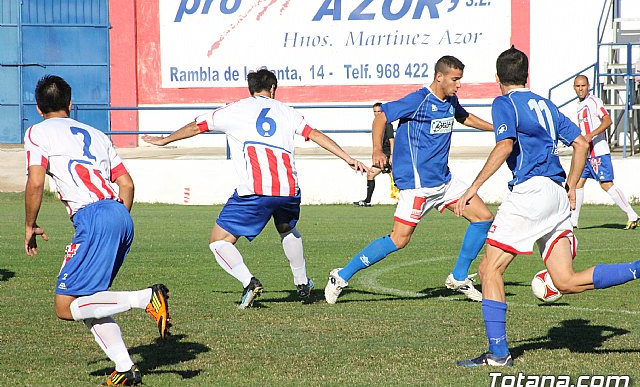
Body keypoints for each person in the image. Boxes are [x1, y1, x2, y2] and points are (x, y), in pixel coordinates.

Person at [454, 46, 640, 367]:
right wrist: (569, 185)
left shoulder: (504, 103)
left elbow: (504, 144)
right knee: (565, 281)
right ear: (527, 76)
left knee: (489, 269)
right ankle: (637, 268)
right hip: (555, 192)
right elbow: (581, 143)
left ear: (498, 78)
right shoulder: (545, 104)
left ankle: (498, 354)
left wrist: (474, 186)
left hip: (531, 190)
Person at [143, 69, 368, 309]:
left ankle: (248, 282)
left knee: (219, 241)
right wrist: (348, 158)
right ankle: (302, 284)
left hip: (256, 191)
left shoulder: (235, 109)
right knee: (286, 227)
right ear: (273, 89)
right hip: (288, 189)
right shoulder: (287, 111)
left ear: (250, 89)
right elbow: (313, 134)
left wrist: (165, 139)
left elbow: (197, 126)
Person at [24, 75, 170, 386]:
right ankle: (125, 368)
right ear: (71, 104)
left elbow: (36, 181)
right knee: (90, 299)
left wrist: (29, 224)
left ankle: (146, 298)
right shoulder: (96, 134)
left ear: (39, 108)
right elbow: (127, 184)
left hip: (94, 217)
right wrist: (115, 219)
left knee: (65, 307)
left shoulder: (37, 132)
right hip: (119, 213)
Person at [324, 55, 495, 304]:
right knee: (399, 239)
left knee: (483, 218)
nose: (459, 85)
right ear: (440, 77)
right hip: (417, 186)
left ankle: (458, 277)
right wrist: (377, 150)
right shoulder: (419, 100)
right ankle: (340, 276)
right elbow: (381, 117)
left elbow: (463, 117)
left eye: (460, 80)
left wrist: (496, 129)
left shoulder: (450, 100)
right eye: (455, 80)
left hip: (445, 182)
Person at [570, 75, 638, 230]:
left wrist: (591, 135)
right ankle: (573, 222)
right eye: (577, 86)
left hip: (598, 151)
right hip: (587, 153)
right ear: (574, 88)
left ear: (588, 86)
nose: (580, 89)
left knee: (606, 184)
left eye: (583, 86)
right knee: (578, 183)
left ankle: (632, 215)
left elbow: (607, 120)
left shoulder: (593, 101)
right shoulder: (579, 105)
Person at [353, 102, 394, 207]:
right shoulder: (376, 124)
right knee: (371, 174)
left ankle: (402, 201)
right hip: (382, 155)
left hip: (388, 155)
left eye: (379, 111)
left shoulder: (387, 124)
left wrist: (392, 156)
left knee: (396, 178)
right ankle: (367, 200)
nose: (376, 114)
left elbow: (391, 140)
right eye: (374, 111)